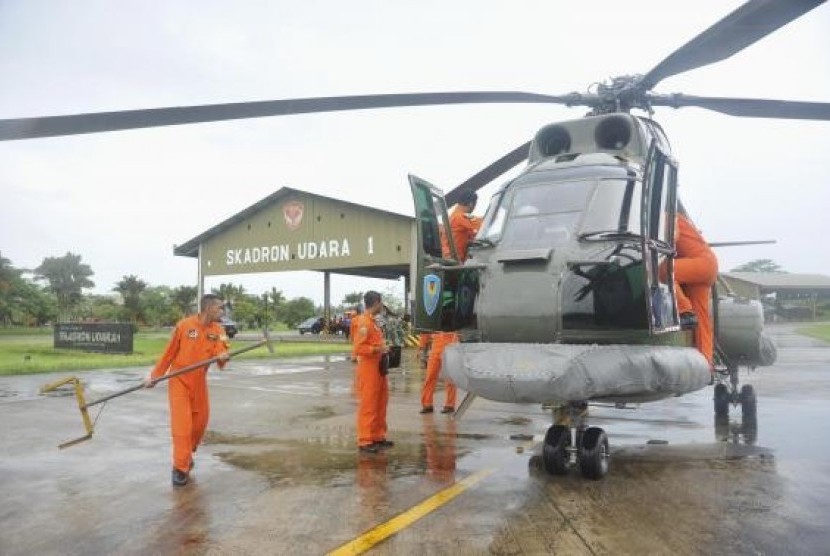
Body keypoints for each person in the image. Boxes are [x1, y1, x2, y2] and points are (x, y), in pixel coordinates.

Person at [145, 294, 230, 486]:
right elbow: (169, 352)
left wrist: (223, 357)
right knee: (182, 426)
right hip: (179, 380)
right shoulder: (184, 326)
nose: (222, 311)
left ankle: (186, 454)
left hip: (199, 381)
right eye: (220, 308)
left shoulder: (219, 330)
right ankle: (180, 467)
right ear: (208, 308)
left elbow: (221, 351)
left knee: (200, 424)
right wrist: (155, 376)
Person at [421, 191, 482, 415]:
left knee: (447, 376)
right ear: (471, 203)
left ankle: (447, 404)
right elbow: (482, 224)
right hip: (454, 265)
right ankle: (428, 404)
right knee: (436, 375)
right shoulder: (459, 217)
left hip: (447, 341)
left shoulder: (452, 219)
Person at [666, 213, 719, 366]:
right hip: (708, 265)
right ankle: (706, 366)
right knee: (702, 321)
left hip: (701, 262)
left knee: (661, 272)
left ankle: (684, 311)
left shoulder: (667, 215)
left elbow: (671, 237)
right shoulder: (681, 219)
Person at [353, 291, 392, 454]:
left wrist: (384, 349)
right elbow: (359, 348)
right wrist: (378, 349)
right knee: (369, 404)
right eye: (381, 303)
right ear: (376, 303)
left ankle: (377, 436)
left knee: (381, 402)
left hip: (378, 368)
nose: (382, 306)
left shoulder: (373, 323)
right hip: (369, 369)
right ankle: (365, 440)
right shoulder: (364, 322)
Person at [443, 190, 483, 261]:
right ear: (471, 204)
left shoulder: (454, 216)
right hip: (453, 261)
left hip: (449, 258)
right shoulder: (460, 218)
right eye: (475, 204)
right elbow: (480, 231)